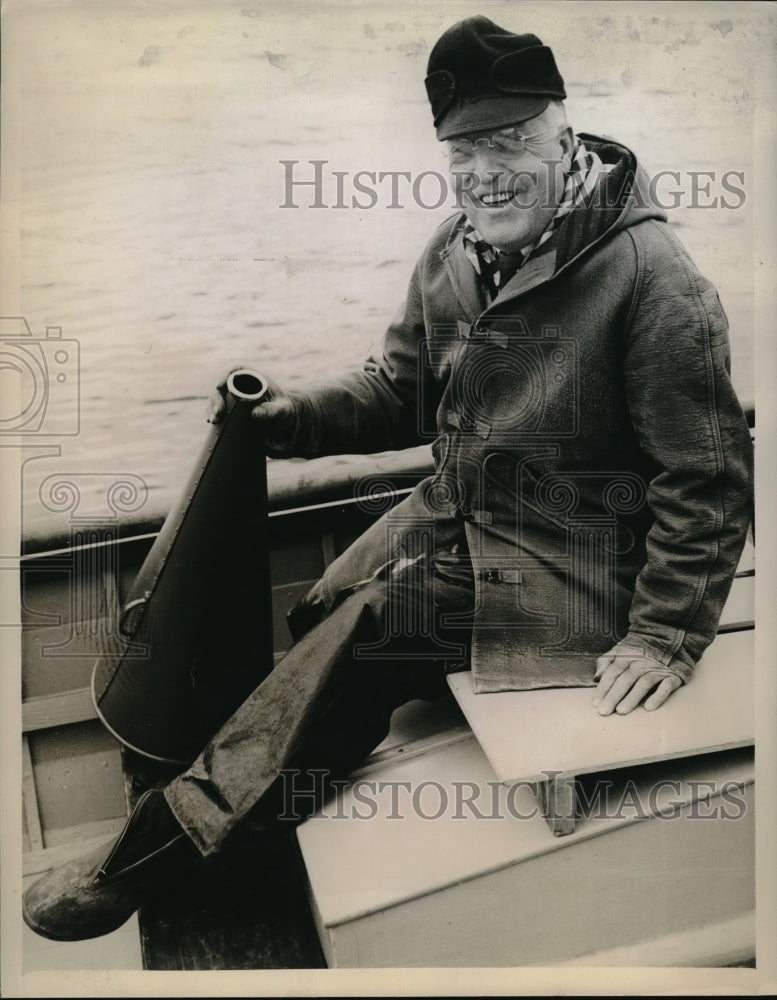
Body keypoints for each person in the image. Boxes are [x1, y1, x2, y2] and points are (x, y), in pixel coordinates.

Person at [23, 15, 753, 942]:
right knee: (321, 604)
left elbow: (710, 480)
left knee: (371, 631)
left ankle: (165, 847)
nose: (482, 171)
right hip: (461, 516)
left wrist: (663, 637)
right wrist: (292, 420)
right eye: (462, 149)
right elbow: (401, 390)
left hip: (574, 564)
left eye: (508, 142)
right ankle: (284, 782)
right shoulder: (456, 251)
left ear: (563, 138)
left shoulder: (654, 281)